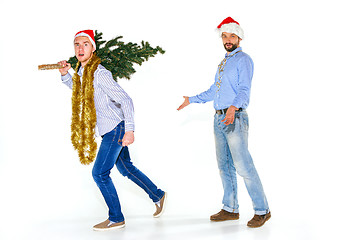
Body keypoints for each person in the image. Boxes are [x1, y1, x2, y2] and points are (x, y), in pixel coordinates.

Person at [58, 30, 166, 231]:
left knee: (99, 173)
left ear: (93, 48)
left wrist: (130, 130)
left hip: (116, 129)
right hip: (109, 129)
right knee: (125, 168)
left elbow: (126, 100)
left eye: (85, 44)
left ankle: (116, 218)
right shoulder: (82, 73)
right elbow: (79, 90)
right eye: (77, 44)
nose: (80, 48)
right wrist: (66, 75)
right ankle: (157, 194)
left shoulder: (100, 73)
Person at [177, 17, 270, 228]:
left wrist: (233, 108)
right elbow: (214, 90)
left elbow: (244, 90)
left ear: (239, 38)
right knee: (224, 166)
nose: (228, 40)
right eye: (225, 36)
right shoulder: (224, 61)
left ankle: (262, 210)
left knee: (244, 166)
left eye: (232, 36)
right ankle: (230, 208)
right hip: (219, 118)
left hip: (234, 118)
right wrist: (191, 99)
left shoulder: (243, 59)